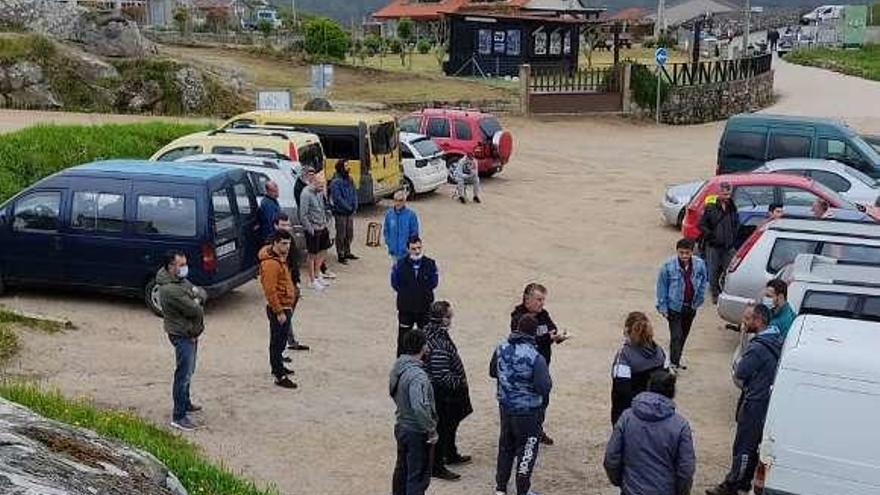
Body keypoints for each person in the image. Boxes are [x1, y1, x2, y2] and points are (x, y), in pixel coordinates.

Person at [707, 304, 783, 495]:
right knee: (752, 446)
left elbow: (740, 370)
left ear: (758, 320)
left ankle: (733, 483)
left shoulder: (757, 347)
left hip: (754, 403)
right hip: (765, 401)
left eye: (747, 319)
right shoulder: (777, 338)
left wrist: (743, 340)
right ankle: (743, 481)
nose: (743, 322)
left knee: (743, 445)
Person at [604, 370, 696, 495]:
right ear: (672, 392)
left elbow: (611, 458)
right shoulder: (681, 426)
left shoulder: (627, 417)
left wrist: (622, 482)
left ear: (648, 387)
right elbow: (686, 470)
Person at [490, 314, 552, 495]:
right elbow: (544, 387)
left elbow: (493, 371)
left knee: (505, 448)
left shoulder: (501, 348)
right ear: (533, 333)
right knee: (527, 452)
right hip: (528, 412)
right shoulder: (535, 357)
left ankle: (500, 488)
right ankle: (523, 491)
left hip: (506, 407)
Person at [509, 283, 568, 446]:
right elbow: (527, 339)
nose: (542, 303)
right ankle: (520, 434)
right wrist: (548, 338)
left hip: (542, 367)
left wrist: (557, 337)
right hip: (524, 370)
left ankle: (536, 430)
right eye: (539, 299)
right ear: (527, 299)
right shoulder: (518, 317)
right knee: (524, 402)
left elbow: (552, 329)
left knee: (543, 399)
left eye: (543, 300)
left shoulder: (543, 314)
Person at [157, 250, 206, 431]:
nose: (185, 268)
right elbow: (195, 309)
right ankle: (178, 416)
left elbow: (201, 293)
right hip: (182, 334)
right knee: (183, 374)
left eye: (185, 264)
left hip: (190, 333)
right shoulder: (170, 289)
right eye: (181, 265)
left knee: (189, 370)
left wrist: (196, 296)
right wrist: (196, 298)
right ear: (171, 267)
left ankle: (185, 403)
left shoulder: (179, 281)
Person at [424, 301, 473, 481]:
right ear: (442, 319)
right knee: (442, 427)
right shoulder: (438, 342)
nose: (451, 320)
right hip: (442, 393)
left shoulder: (431, 333)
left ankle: (450, 453)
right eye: (449, 316)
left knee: (450, 424)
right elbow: (441, 375)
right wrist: (459, 382)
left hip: (443, 391)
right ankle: (437, 465)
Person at [390, 329, 438, 495]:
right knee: (417, 478)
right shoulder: (418, 376)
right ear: (423, 347)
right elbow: (419, 407)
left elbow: (392, 390)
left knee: (401, 470)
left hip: (401, 424)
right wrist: (431, 429)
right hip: (416, 430)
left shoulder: (398, 366)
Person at [656, 238, 708, 370]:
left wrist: (700, 298)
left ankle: (676, 360)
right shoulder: (668, 266)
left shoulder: (699, 264)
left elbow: (703, 281)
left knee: (683, 335)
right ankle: (673, 363)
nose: (684, 256)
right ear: (677, 252)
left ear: (692, 252)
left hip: (690, 306)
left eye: (687, 253)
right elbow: (662, 287)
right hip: (674, 307)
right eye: (681, 253)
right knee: (676, 336)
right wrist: (663, 306)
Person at [610, 312, 668, 425]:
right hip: (656, 413)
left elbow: (621, 392)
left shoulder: (624, 356)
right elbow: (667, 385)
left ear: (627, 330)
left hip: (630, 416)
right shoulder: (661, 353)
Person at [258, 230, 298, 389]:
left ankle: (279, 366)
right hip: (279, 308)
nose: (287, 247)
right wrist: (279, 311)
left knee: (280, 341)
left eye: (288, 243)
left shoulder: (279, 259)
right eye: (283, 243)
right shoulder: (271, 264)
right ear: (274, 243)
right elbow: (270, 290)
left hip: (285, 305)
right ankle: (279, 374)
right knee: (277, 341)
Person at [391, 237, 439, 357]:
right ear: (408, 249)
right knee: (403, 338)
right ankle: (402, 364)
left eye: (419, 248)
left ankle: (426, 364)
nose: (417, 251)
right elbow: (395, 283)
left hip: (424, 307)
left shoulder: (430, 263)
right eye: (413, 249)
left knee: (426, 338)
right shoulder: (400, 265)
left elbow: (434, 283)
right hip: (406, 308)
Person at [273, 214, 309, 352]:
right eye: (283, 225)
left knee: (288, 317)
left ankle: (290, 342)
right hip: (281, 288)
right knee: (282, 318)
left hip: (292, 285)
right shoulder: (272, 245)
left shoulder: (290, 241)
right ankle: (282, 350)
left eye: (288, 225)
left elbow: (295, 263)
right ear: (276, 226)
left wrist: (297, 281)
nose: (286, 228)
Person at [699, 182, 739, 304]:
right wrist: (711, 237)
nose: (727, 196)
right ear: (718, 193)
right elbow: (701, 225)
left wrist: (733, 237)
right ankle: (715, 294)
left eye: (728, 193)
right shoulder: (710, 207)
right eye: (724, 193)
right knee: (713, 271)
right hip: (714, 247)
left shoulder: (732, 206)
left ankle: (727, 293)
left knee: (730, 271)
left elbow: (735, 223)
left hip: (728, 246)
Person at [295, 167, 334, 280]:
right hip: (313, 228)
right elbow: (303, 214)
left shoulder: (319, 193)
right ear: (314, 183)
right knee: (312, 254)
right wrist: (310, 229)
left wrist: (325, 221)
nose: (322, 189)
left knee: (324, 249)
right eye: (321, 186)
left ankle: (318, 274)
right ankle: (312, 279)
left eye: (323, 186)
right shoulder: (305, 194)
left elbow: (322, 207)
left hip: (322, 225)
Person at [329, 159, 359, 264]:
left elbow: (354, 192)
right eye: (346, 166)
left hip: (350, 211)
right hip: (340, 212)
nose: (348, 168)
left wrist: (355, 205)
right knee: (341, 234)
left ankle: (347, 251)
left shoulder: (349, 179)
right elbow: (337, 198)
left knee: (349, 233)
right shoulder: (335, 182)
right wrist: (347, 207)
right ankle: (340, 253)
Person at [384, 190, 420, 260]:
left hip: (406, 254)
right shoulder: (389, 214)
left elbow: (414, 234)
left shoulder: (411, 215)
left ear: (404, 201)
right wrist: (389, 244)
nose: (397, 203)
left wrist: (408, 248)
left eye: (400, 200)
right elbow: (386, 231)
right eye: (395, 200)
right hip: (393, 252)